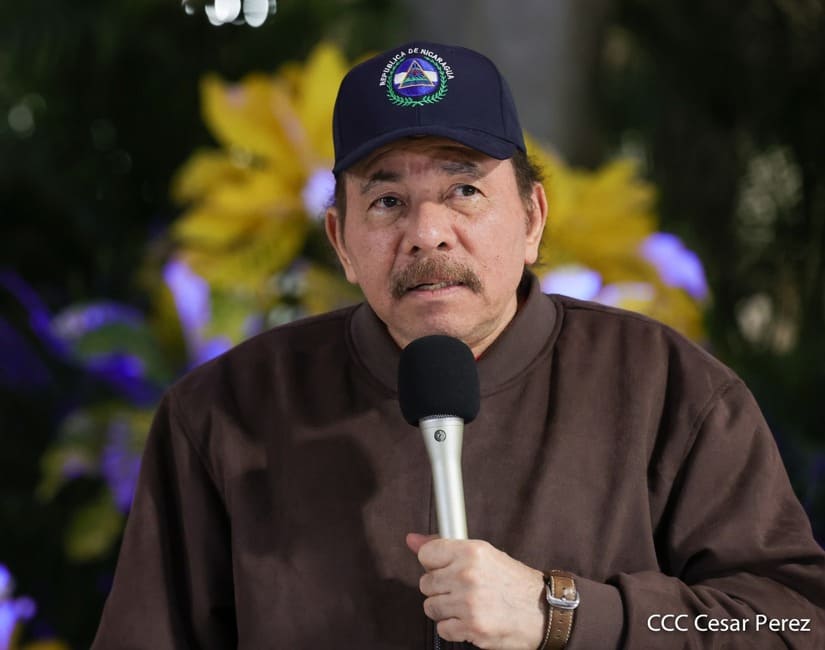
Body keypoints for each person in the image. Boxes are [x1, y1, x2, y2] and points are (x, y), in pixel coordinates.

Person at [91, 41, 825, 650]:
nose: (427, 233)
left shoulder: (668, 390)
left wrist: (562, 613)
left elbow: (792, 623)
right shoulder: (223, 415)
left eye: (464, 191)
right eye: (387, 201)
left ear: (532, 217)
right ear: (341, 242)